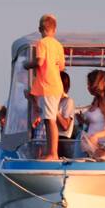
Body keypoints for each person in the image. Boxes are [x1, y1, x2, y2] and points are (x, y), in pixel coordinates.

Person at [26, 14, 66, 160]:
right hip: (56, 86)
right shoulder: (58, 45)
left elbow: (39, 62)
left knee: (50, 120)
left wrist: (27, 64)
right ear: (54, 29)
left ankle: (52, 153)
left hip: (47, 86)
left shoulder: (42, 43)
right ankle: (51, 152)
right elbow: (61, 67)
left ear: (40, 29)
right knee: (49, 119)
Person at [80, 69, 105, 159]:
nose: (87, 87)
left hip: (100, 146)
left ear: (95, 84)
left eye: (89, 84)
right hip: (89, 145)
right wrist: (82, 120)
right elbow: (95, 122)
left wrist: (96, 136)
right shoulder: (96, 100)